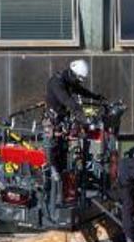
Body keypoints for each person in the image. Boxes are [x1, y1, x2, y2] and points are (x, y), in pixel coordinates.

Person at [44, 60, 103, 203]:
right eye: (78, 79)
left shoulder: (69, 80)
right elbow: (66, 100)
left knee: (63, 151)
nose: (78, 82)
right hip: (53, 121)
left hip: (62, 120)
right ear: (72, 73)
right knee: (52, 150)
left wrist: (95, 96)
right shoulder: (56, 82)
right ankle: (52, 177)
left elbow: (79, 90)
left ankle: (64, 185)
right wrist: (81, 114)